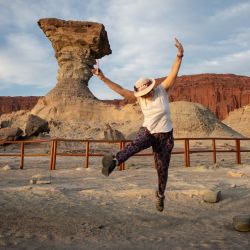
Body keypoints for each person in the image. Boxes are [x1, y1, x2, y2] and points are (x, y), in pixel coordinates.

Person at [92, 38, 184, 212]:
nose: (146, 95)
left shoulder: (162, 90)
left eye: (148, 92)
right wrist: (102, 76)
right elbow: (119, 89)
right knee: (135, 145)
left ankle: (161, 194)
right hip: (148, 131)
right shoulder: (138, 98)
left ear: (151, 88)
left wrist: (179, 55)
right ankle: (114, 162)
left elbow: (174, 72)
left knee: (162, 168)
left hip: (165, 136)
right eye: (143, 93)